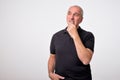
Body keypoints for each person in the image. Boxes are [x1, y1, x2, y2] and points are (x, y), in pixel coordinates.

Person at [48, 5, 95, 80]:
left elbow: (86, 60)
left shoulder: (88, 36)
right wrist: (50, 73)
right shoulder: (56, 36)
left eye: (76, 15)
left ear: (81, 19)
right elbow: (52, 56)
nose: (71, 17)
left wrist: (75, 34)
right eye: (69, 13)